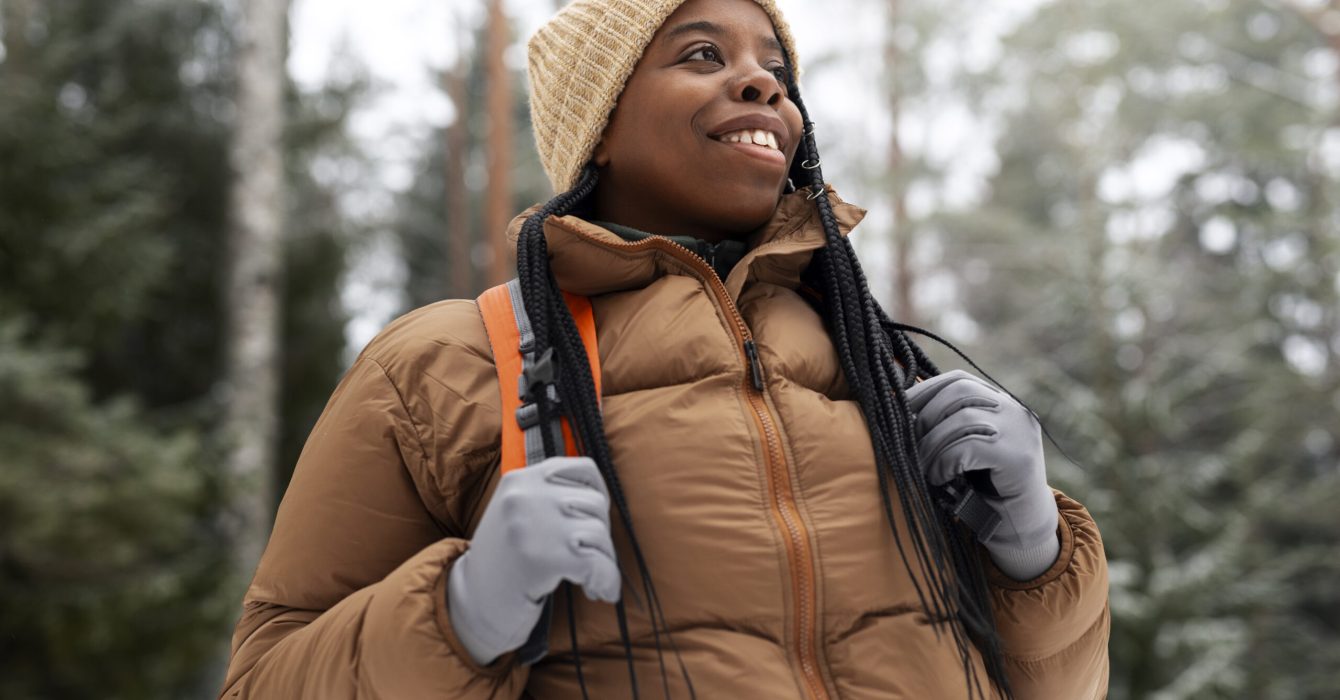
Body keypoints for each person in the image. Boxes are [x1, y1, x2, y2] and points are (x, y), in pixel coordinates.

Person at [218, 0, 1110, 697]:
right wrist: (461, 608)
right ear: (598, 125)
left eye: (777, 68)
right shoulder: (446, 363)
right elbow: (266, 677)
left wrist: (1031, 551)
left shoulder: (875, 365)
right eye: (701, 55)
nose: (764, 86)